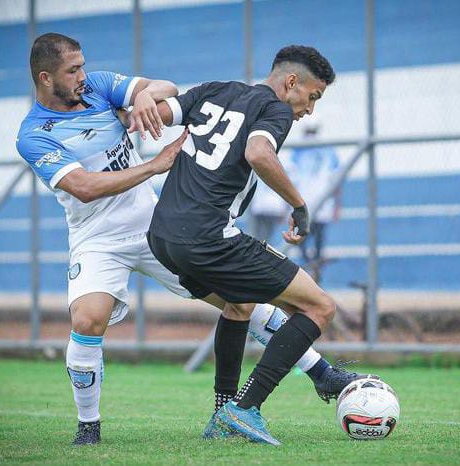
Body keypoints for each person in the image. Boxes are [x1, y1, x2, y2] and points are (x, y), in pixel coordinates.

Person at [16, 33, 363, 446]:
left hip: (152, 223)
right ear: (45, 77)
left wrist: (145, 96)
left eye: (82, 66)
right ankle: (88, 426)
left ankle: (318, 375)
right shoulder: (34, 134)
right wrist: (155, 165)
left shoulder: (96, 87)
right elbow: (85, 186)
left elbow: (163, 92)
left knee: (240, 301)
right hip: (97, 238)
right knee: (87, 320)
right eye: (72, 71)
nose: (82, 76)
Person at [148, 45, 370, 446]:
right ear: (291, 83)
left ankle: (222, 411)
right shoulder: (276, 109)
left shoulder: (213, 90)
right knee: (320, 306)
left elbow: (154, 115)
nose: (310, 110)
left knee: (240, 305)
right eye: (313, 97)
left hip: (161, 237)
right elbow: (257, 151)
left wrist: (134, 94)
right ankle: (246, 408)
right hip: (208, 237)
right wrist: (300, 205)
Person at [289, 124, 341, 269]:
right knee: (317, 242)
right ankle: (314, 266)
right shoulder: (328, 150)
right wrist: (337, 205)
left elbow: (291, 177)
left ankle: (310, 264)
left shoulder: (298, 149)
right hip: (322, 201)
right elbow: (336, 179)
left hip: (303, 201)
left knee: (301, 239)